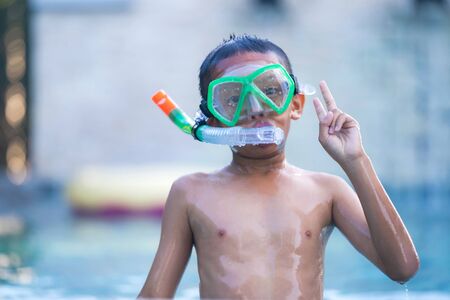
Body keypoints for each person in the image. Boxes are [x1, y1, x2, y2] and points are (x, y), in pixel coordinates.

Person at [138, 34, 419, 299]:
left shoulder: (326, 191)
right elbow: (154, 295)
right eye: (233, 99)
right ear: (215, 121)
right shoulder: (191, 193)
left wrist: (355, 161)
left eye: (271, 90)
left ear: (295, 105)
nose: (256, 107)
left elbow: (402, 269)